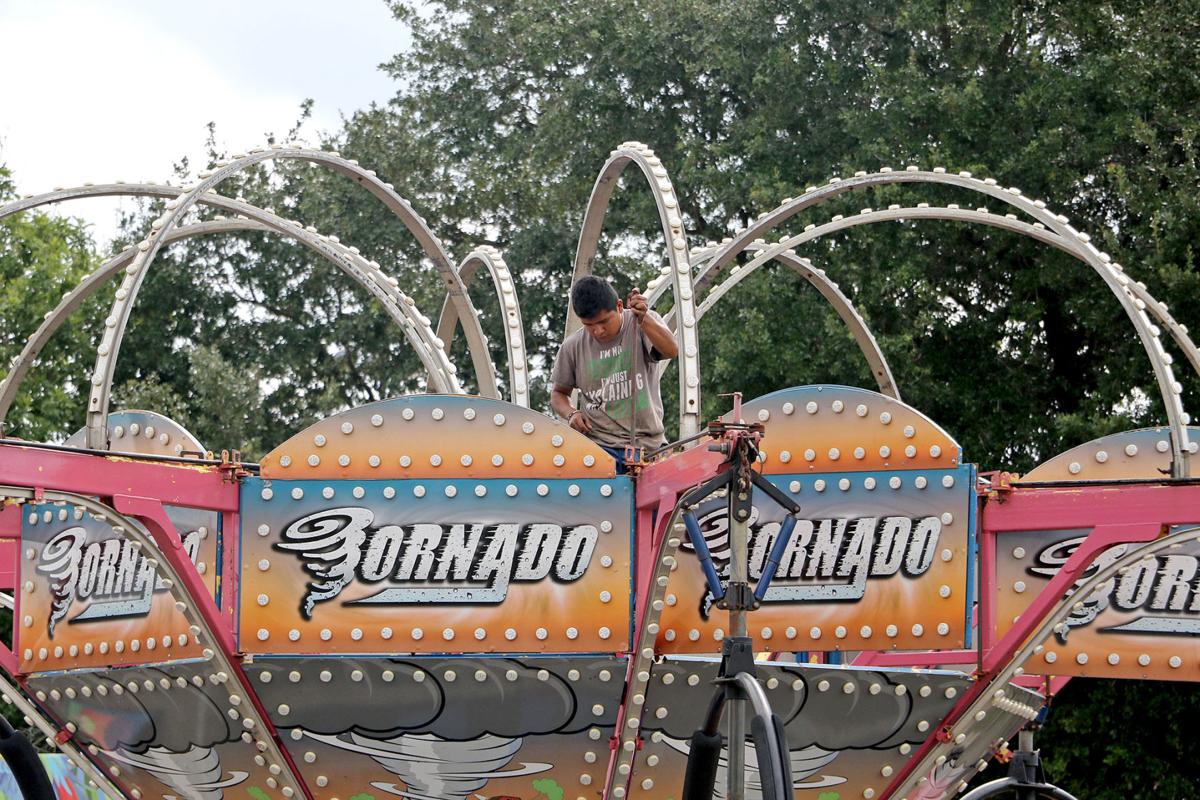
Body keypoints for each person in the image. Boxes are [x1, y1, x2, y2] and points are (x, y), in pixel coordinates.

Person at [551, 276, 679, 472]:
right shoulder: (572, 347)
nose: (598, 331)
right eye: (589, 325)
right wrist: (571, 414)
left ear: (620, 306)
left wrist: (645, 319)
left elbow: (671, 350)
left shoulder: (642, 323)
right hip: (599, 448)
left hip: (649, 446)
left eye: (603, 321)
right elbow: (559, 393)